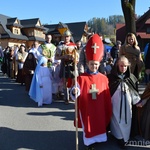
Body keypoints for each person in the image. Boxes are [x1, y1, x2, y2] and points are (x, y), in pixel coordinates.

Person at [70, 34, 112, 150]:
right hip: (87, 107)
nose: (94, 66)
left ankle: (99, 139)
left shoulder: (103, 78)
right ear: (87, 64)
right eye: (92, 64)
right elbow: (75, 91)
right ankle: (89, 143)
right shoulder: (81, 78)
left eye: (96, 64)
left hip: (99, 107)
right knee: (89, 124)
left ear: (99, 64)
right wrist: (75, 91)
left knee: (99, 121)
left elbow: (106, 96)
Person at [107, 56, 142, 149]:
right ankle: (118, 137)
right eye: (121, 66)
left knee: (127, 119)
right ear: (117, 65)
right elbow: (108, 91)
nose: (124, 68)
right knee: (116, 120)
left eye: (126, 66)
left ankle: (125, 138)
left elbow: (133, 91)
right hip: (115, 104)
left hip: (127, 104)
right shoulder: (111, 77)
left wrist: (137, 101)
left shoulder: (131, 77)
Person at [55, 29, 78, 104]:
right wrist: (64, 56)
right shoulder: (60, 46)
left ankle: (73, 96)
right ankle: (66, 98)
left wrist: (74, 58)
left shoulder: (74, 46)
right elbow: (56, 57)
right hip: (64, 65)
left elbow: (77, 56)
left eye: (67, 36)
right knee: (65, 82)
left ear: (70, 37)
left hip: (72, 65)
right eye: (65, 36)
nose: (66, 38)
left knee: (74, 81)